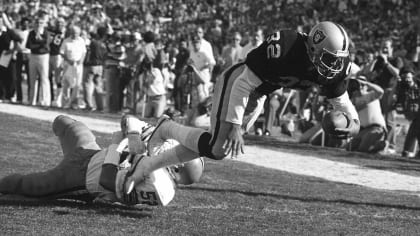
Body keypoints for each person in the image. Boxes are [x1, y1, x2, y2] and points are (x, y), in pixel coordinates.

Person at [120, 21, 360, 196]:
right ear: (312, 48)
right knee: (218, 146)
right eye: (329, 58)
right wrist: (234, 126)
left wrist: (350, 125)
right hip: (238, 82)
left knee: (217, 149)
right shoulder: (286, 47)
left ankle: (151, 160)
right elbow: (244, 82)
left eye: (338, 59)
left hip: (259, 95)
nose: (335, 66)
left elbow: (346, 108)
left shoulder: (334, 70)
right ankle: (165, 132)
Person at [0, 115, 204, 206]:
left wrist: (116, 145)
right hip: (89, 153)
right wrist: (133, 135)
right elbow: (129, 119)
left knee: (27, 185)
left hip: (79, 179)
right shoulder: (160, 146)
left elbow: (107, 179)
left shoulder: (159, 187)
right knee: (63, 122)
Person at [347, 75, 387, 153]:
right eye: (358, 84)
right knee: (350, 147)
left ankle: (380, 145)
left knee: (363, 149)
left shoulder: (371, 94)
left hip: (377, 128)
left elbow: (381, 91)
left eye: (362, 85)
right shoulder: (353, 100)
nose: (360, 86)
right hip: (364, 130)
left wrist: (366, 83)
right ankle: (375, 147)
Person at [26, 13, 51, 107]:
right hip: (33, 56)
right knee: (32, 79)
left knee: (44, 78)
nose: (39, 24)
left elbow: (46, 45)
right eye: (37, 22)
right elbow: (29, 45)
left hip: (43, 57)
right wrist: (40, 43)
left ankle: (45, 101)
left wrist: (38, 42)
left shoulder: (46, 33)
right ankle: (31, 100)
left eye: (41, 22)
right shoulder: (31, 33)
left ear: (44, 23)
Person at [59, 25, 87, 109]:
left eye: (77, 33)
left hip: (78, 65)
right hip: (68, 64)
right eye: (74, 33)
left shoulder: (81, 41)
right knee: (66, 84)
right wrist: (68, 60)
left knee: (77, 85)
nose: (75, 34)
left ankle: (74, 103)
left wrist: (81, 60)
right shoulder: (66, 41)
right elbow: (61, 52)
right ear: (71, 33)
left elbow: (83, 52)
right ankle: (65, 103)